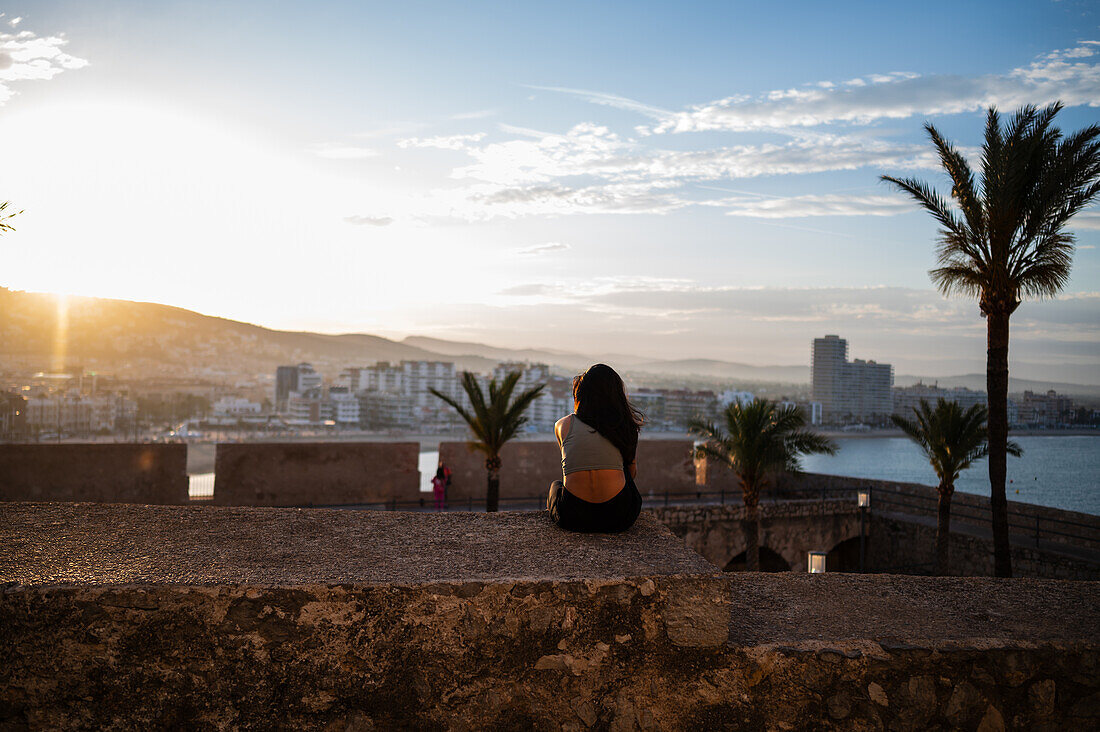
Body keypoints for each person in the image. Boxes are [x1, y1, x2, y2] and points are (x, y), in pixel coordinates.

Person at [547, 364, 644, 533]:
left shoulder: (562, 425)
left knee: (556, 486)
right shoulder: (626, 427)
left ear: (581, 395)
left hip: (573, 517)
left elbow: (571, 466)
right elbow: (632, 474)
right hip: (618, 518)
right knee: (624, 470)